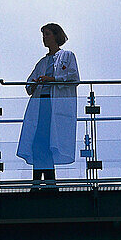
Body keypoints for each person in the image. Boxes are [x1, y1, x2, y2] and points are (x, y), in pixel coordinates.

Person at [17, 23, 79, 183]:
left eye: (48, 34)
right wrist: (36, 83)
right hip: (40, 105)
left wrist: (51, 79)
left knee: (47, 143)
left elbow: (73, 77)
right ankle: (41, 181)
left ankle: (45, 182)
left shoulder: (67, 55)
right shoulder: (42, 62)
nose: (44, 38)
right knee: (38, 143)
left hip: (55, 106)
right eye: (43, 35)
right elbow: (28, 86)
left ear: (56, 36)